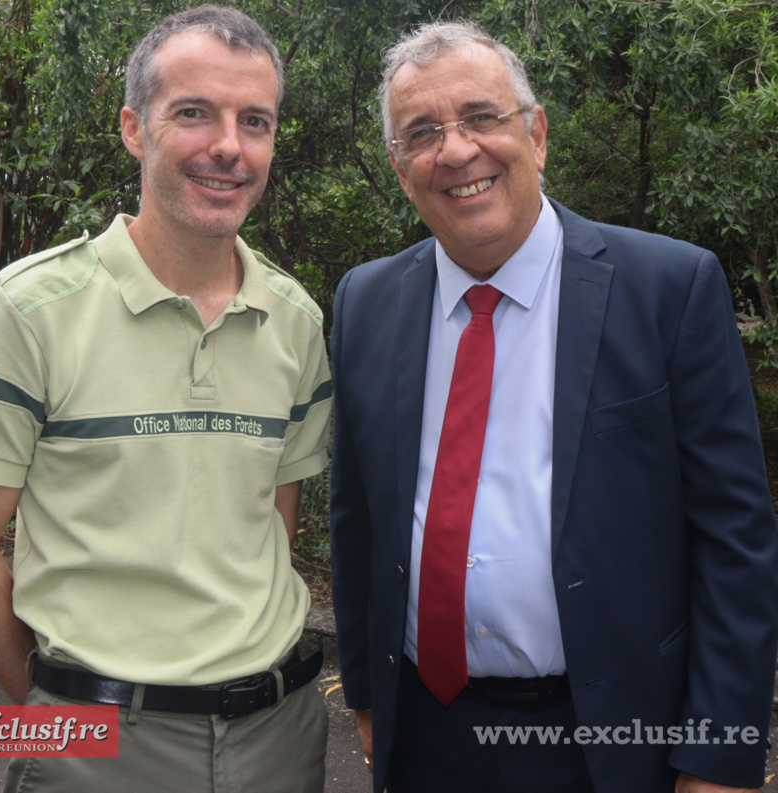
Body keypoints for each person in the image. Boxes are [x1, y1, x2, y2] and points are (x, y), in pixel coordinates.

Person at [330, 19, 778, 793]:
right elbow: (357, 519)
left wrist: (719, 754)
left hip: (614, 738)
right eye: (423, 133)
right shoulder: (364, 301)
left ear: (535, 135)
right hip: (428, 735)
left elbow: (734, 537)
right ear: (402, 169)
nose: (457, 150)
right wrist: (368, 697)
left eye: (481, 116)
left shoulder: (669, 289)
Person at [0, 6, 332, 792]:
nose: (229, 145)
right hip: (96, 745)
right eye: (194, 113)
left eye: (254, 121)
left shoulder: (295, 321)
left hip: (279, 736)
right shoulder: (33, 309)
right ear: (134, 129)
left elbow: (271, 529)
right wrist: (56, 713)